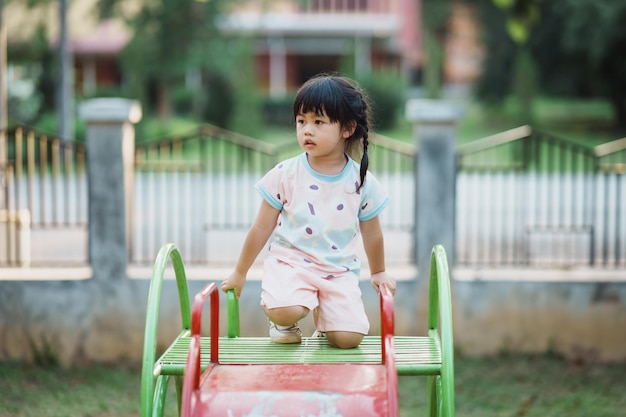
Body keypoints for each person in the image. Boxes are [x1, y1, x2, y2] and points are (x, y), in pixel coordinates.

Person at [221, 73, 396, 349]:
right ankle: (283, 322)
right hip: (292, 264)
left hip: (337, 271)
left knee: (349, 339)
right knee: (286, 308)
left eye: (318, 122)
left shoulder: (361, 181)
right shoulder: (286, 174)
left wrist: (379, 271)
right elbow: (261, 227)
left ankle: (327, 322)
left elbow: (372, 233)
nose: (307, 130)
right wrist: (240, 272)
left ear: (347, 129)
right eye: (301, 121)